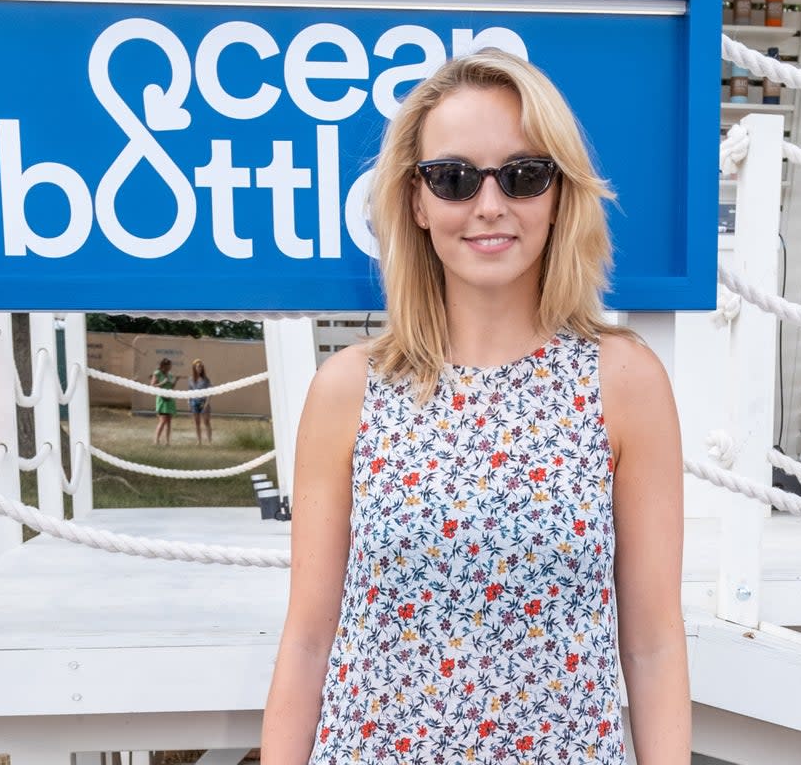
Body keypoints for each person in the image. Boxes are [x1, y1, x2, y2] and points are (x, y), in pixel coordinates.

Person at [262, 49, 690, 764]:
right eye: (454, 178)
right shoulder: (347, 390)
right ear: (417, 202)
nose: (490, 205)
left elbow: (651, 645)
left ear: (558, 196)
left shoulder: (624, 382)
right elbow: (309, 639)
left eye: (523, 176)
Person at [150, 357, 177, 445]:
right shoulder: (157, 373)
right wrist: (163, 383)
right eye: (168, 366)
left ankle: (167, 441)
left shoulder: (170, 375)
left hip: (170, 399)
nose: (170, 367)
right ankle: (156, 440)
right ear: (163, 365)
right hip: (162, 399)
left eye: (170, 366)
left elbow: (171, 387)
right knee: (163, 420)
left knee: (169, 421)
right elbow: (152, 385)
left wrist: (176, 381)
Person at [189, 358, 213, 444]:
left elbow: (210, 392)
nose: (199, 368)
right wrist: (189, 401)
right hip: (194, 403)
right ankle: (199, 441)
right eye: (197, 367)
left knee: (206, 422)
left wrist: (207, 403)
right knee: (197, 423)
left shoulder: (206, 380)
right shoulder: (191, 379)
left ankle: (209, 441)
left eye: (201, 367)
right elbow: (190, 391)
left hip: (204, 402)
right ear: (194, 368)